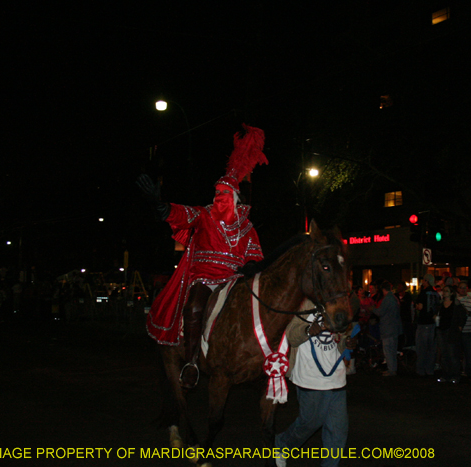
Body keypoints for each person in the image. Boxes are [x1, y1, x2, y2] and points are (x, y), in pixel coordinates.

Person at [138, 124, 268, 389]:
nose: (218, 197)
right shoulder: (204, 215)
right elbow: (177, 214)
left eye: (224, 193)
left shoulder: (247, 227)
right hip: (205, 278)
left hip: (234, 280)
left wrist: (251, 267)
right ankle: (192, 362)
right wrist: (158, 203)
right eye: (216, 192)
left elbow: (255, 255)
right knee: (195, 305)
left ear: (234, 197)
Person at [274, 313, 357, 467]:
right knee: (310, 423)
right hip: (310, 378)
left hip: (336, 378)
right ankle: (282, 445)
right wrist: (307, 330)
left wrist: (347, 342)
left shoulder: (333, 306)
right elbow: (291, 336)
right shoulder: (303, 305)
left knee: (338, 431)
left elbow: (339, 338)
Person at [372, 281, 403, 376]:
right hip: (394, 328)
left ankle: (391, 369)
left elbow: (380, 312)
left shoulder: (387, 299)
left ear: (383, 290)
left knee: (388, 350)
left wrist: (372, 309)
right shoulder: (394, 298)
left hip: (388, 328)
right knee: (392, 350)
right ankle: (393, 369)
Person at [415, 274, 440, 376]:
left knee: (422, 348)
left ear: (426, 281)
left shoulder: (423, 293)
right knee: (431, 348)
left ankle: (420, 370)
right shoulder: (436, 294)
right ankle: (430, 369)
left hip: (423, 322)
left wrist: (416, 306)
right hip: (433, 323)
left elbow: (420, 307)